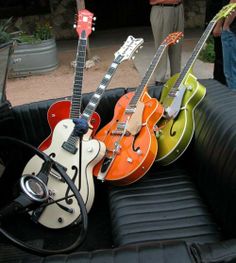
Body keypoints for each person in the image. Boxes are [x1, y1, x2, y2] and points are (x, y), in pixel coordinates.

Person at [149, 0, 184, 85]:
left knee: (177, 44)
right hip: (162, 8)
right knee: (162, 46)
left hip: (178, 8)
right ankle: (159, 78)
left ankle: (176, 77)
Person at [213, 0, 236, 90]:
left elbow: (233, 5)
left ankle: (233, 101)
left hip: (232, 32)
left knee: (231, 72)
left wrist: (222, 25)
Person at [205, 0, 226, 85]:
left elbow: (225, 7)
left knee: (221, 55)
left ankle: (220, 80)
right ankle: (217, 78)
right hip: (215, 20)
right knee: (218, 53)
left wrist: (219, 25)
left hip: (221, 23)